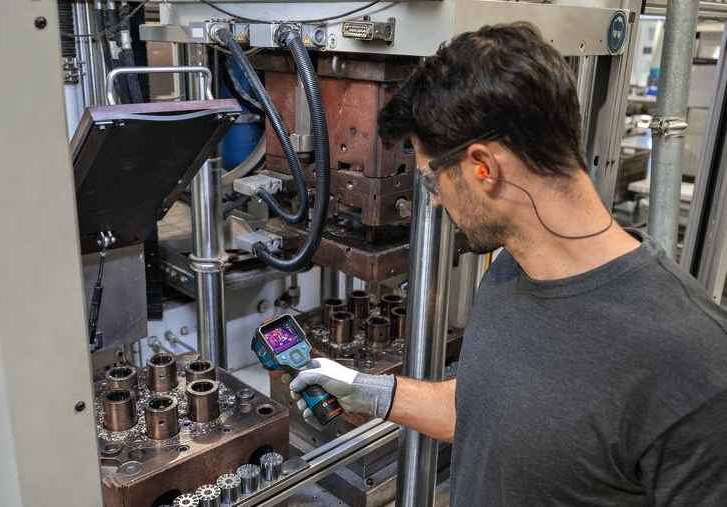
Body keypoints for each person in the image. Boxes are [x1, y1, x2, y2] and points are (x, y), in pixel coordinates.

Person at [288, 22, 727, 506]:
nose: (435, 201)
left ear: (485, 168)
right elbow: (489, 412)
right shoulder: (511, 270)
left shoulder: (693, 365)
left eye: (432, 180)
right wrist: (373, 392)